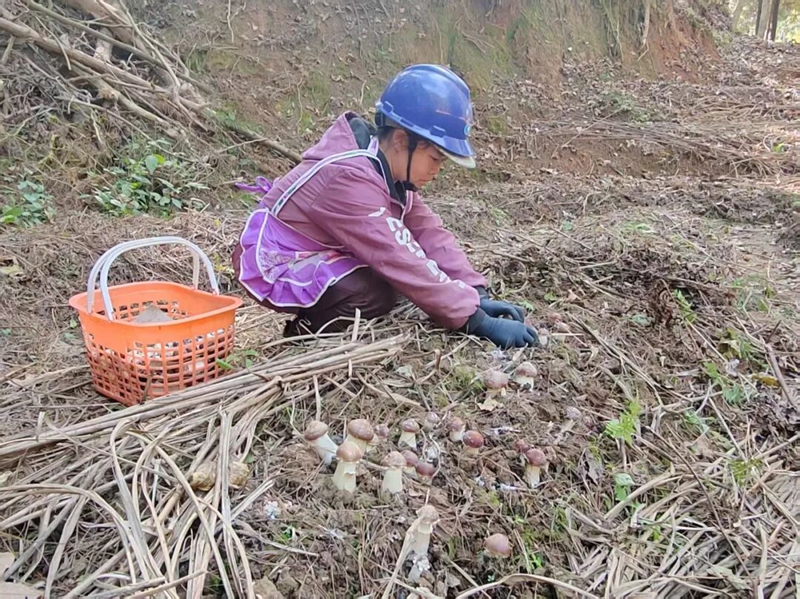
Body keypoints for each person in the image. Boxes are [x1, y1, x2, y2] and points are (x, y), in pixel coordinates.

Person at [233, 64, 538, 348]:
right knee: (373, 293)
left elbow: (428, 231)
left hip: (317, 248)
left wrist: (475, 291)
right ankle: (302, 338)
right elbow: (398, 256)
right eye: (435, 158)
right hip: (275, 258)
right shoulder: (348, 178)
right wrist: (475, 320)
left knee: (393, 286)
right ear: (403, 141)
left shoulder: (387, 167)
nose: (436, 170)